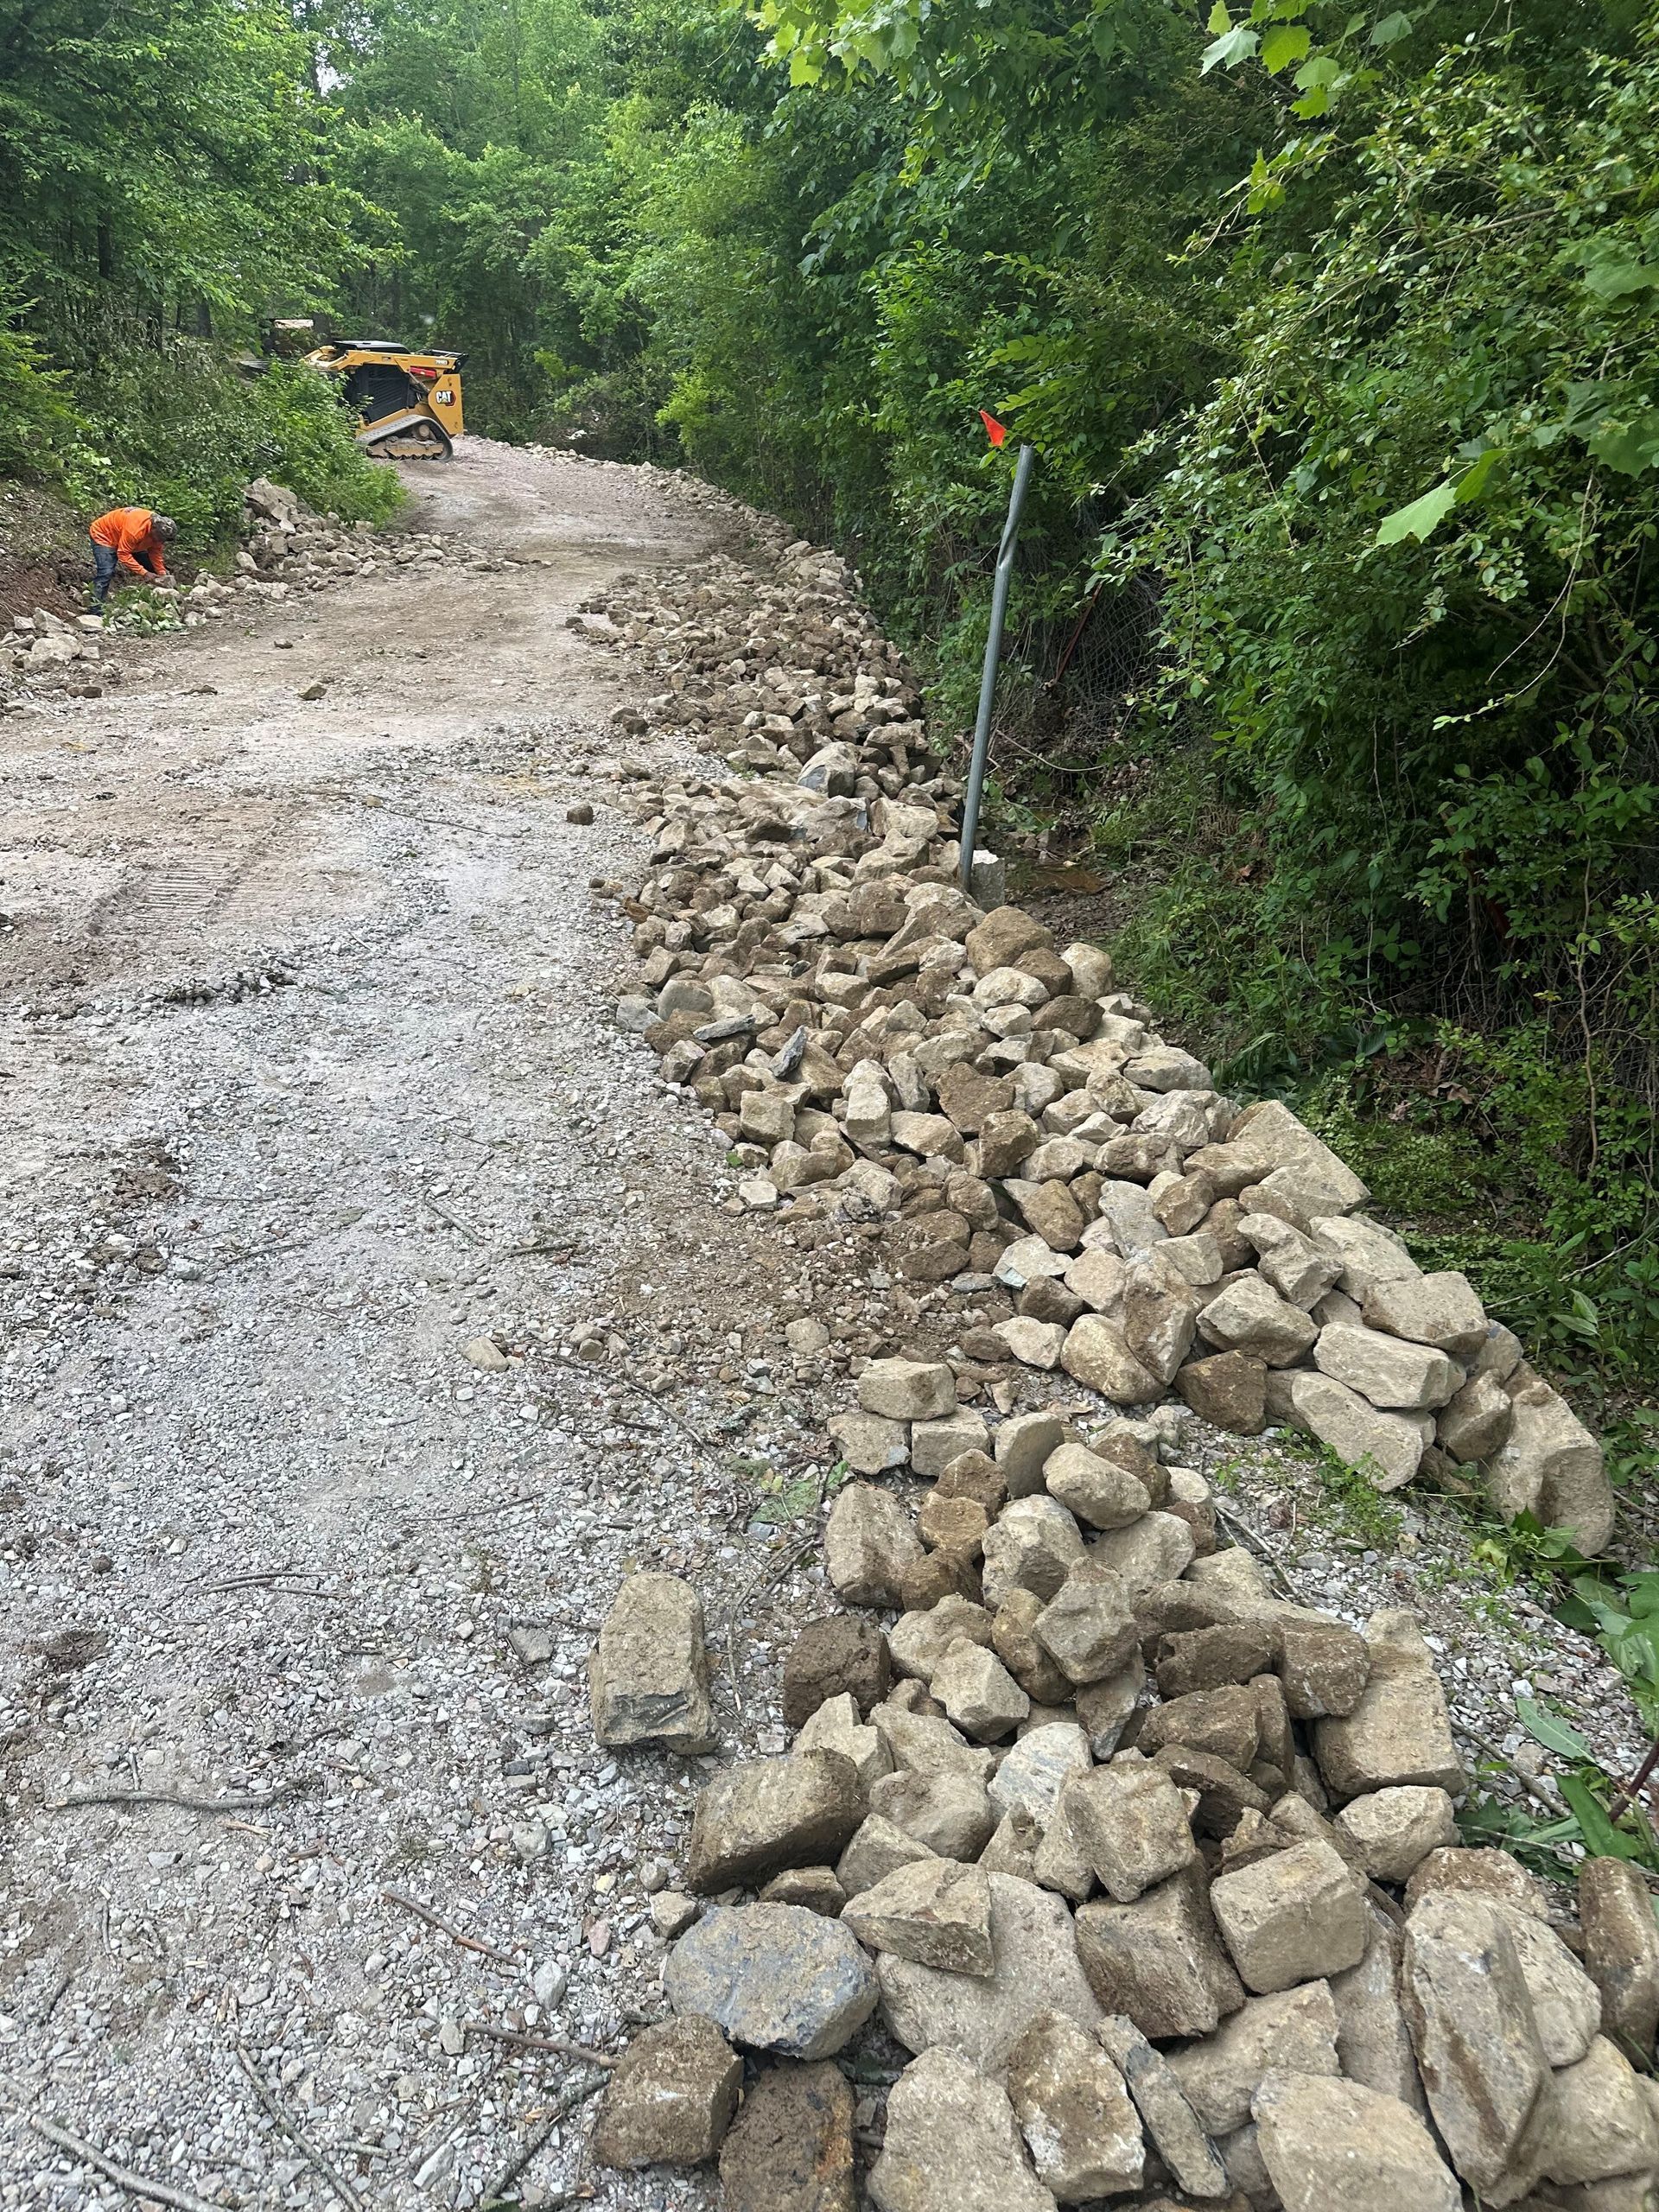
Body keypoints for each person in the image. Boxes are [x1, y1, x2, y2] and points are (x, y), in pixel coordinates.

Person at [88, 506, 177, 607]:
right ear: (153, 529)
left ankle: (157, 600)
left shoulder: (159, 534)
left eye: (163, 540)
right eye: (160, 538)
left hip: (130, 540)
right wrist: (144, 573)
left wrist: (161, 572)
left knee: (151, 566)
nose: (160, 541)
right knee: (106, 572)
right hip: (104, 535)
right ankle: (95, 608)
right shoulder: (135, 531)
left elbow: (155, 552)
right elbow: (123, 554)